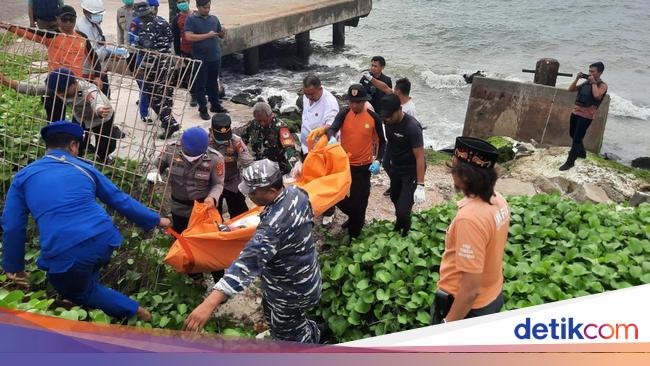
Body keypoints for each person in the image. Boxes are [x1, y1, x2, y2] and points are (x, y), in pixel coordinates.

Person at [2, 121, 171, 320]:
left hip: (66, 247)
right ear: (73, 146)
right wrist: (156, 219)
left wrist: (14, 267)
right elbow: (118, 198)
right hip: (105, 237)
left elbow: (13, 226)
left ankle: (137, 312)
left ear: (47, 146)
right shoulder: (84, 168)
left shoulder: (23, 177)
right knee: (83, 269)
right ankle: (91, 306)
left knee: (76, 289)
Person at [183, 159, 322, 343]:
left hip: (290, 291)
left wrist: (209, 303)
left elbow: (246, 265)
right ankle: (297, 329)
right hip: (303, 277)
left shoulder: (271, 229)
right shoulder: (297, 193)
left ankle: (309, 342)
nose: (249, 195)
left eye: (253, 191)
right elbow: (280, 221)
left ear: (271, 190)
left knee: (290, 337)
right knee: (273, 314)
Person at [431, 137, 510, 324]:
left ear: (464, 176)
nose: (451, 173)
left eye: (453, 168)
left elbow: (470, 289)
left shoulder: (470, 219)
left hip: (466, 308)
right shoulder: (498, 199)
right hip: (492, 295)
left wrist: (448, 324)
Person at [307, 84, 385, 239]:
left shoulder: (373, 117)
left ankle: (354, 234)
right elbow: (332, 128)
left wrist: (379, 160)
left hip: (363, 167)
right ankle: (356, 218)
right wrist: (332, 138)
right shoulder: (344, 113)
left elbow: (383, 142)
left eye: (358, 102)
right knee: (338, 196)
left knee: (360, 200)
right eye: (351, 102)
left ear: (365, 101)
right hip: (343, 165)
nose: (354, 105)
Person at [1, 6, 103, 122]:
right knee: (55, 119)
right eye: (65, 20)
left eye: (72, 20)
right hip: (56, 86)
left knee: (82, 118)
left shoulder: (82, 38)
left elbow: (93, 57)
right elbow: (29, 33)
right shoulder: (51, 36)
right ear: (57, 19)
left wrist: (98, 76)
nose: (68, 23)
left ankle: (79, 137)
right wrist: (10, 27)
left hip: (75, 86)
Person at [0, 68, 119, 164]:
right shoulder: (57, 88)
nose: (59, 94)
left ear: (73, 84)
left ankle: (104, 159)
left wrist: (99, 110)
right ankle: (78, 161)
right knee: (77, 141)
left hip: (101, 118)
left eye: (62, 91)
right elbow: (33, 89)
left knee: (105, 146)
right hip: (80, 117)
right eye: (57, 91)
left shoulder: (88, 90)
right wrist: (7, 81)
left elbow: (95, 100)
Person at [150, 127, 224, 234]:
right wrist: (154, 172)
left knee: (202, 241)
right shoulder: (171, 151)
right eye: (189, 154)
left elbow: (218, 183)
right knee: (181, 241)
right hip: (179, 209)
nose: (192, 158)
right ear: (183, 146)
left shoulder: (215, 158)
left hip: (202, 209)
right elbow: (156, 165)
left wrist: (212, 197)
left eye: (196, 156)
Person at [361, 76, 416, 197]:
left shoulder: (409, 108)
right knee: (386, 163)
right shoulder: (396, 99)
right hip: (391, 140)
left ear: (400, 92)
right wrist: (370, 78)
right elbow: (385, 87)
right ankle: (395, 183)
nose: (392, 92)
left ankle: (402, 185)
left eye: (395, 90)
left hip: (402, 142)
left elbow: (413, 130)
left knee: (399, 166)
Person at [379, 94, 426, 236]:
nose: (386, 119)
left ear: (399, 109)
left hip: (411, 170)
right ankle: (400, 224)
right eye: (384, 117)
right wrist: (385, 162)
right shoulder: (388, 122)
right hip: (396, 167)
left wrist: (420, 185)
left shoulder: (412, 127)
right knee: (394, 197)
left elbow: (420, 157)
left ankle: (405, 231)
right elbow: (391, 143)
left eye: (389, 116)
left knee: (403, 209)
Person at [135, 1, 182, 139]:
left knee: (154, 98)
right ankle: (167, 120)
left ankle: (170, 123)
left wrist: (142, 69)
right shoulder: (162, 21)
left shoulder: (145, 29)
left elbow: (148, 53)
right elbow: (170, 40)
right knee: (166, 95)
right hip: (168, 63)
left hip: (156, 68)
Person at [300, 74, 339, 225]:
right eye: (306, 94)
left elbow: (332, 125)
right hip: (306, 145)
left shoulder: (329, 103)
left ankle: (329, 211)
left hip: (322, 148)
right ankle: (313, 205)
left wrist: (321, 130)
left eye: (312, 94)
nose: (309, 97)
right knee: (309, 177)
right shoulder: (307, 97)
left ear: (320, 89)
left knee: (324, 179)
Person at [560, 62, 608, 171]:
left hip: (587, 116)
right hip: (576, 112)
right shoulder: (586, 82)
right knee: (573, 134)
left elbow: (597, 96)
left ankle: (570, 162)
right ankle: (581, 153)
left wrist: (593, 83)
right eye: (589, 71)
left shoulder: (602, 85)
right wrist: (577, 79)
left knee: (577, 139)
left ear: (599, 72)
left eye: (592, 71)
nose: (589, 73)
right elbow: (571, 89)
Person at [184, 0, 228, 120]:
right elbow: (189, 36)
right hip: (200, 58)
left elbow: (220, 35)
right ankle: (203, 108)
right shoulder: (191, 20)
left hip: (215, 56)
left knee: (213, 82)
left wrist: (223, 32)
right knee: (200, 84)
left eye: (208, 7)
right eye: (204, 8)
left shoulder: (214, 19)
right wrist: (207, 35)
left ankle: (215, 105)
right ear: (198, 7)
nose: (207, 10)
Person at [209, 114, 254, 219]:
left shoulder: (236, 141)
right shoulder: (204, 143)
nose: (223, 140)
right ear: (211, 131)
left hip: (232, 182)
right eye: (220, 137)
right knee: (214, 218)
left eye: (225, 136)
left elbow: (248, 162)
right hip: (212, 185)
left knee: (241, 217)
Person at [240, 102, 300, 175]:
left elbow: (289, 148)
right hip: (259, 166)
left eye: (265, 121)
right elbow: (242, 140)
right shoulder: (252, 125)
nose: (262, 123)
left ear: (271, 115)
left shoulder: (281, 127)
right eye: (259, 121)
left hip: (278, 168)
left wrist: (294, 167)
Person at [76, 0, 111, 97]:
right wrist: (107, 51)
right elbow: (93, 52)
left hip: (99, 67)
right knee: (96, 98)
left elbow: (100, 42)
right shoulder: (83, 27)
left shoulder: (94, 23)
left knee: (105, 95)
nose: (99, 17)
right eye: (96, 14)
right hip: (89, 71)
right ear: (85, 11)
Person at [171, 0, 198, 107]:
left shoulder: (197, 14)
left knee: (203, 72)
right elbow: (176, 38)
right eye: (179, 2)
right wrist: (178, 54)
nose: (182, 3)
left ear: (188, 1)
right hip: (186, 50)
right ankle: (194, 95)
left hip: (201, 49)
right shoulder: (176, 19)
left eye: (183, 1)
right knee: (190, 74)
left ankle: (208, 94)